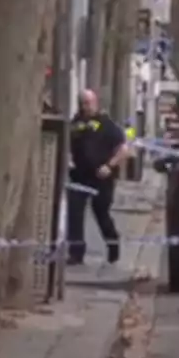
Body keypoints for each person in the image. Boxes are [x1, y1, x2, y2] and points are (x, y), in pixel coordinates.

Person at [67, 89, 128, 266]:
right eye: (82, 103)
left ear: (95, 103)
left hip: (101, 177)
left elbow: (123, 149)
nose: (85, 107)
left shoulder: (106, 124)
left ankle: (113, 245)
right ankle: (76, 253)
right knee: (74, 213)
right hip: (79, 176)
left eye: (88, 103)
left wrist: (110, 165)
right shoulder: (76, 123)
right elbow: (69, 143)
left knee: (101, 213)